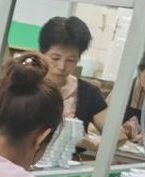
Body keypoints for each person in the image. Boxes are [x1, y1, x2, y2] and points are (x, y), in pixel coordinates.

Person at [36, 15, 104, 151]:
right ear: (41, 53)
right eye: (55, 58)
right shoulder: (24, 83)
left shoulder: (89, 93)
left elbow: (117, 136)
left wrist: (91, 144)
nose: (62, 66)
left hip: (67, 161)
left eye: (71, 60)